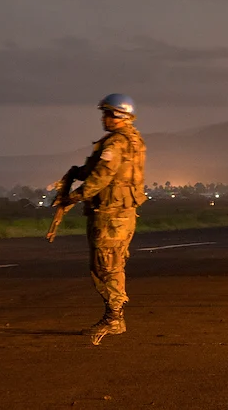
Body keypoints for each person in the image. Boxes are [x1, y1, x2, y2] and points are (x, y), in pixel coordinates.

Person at [61, 93, 147, 344]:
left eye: (108, 114)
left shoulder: (115, 144)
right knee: (114, 263)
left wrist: (75, 196)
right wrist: (78, 172)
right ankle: (114, 316)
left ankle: (114, 318)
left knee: (106, 266)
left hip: (110, 215)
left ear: (119, 116)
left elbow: (102, 177)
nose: (104, 118)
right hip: (124, 213)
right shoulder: (135, 141)